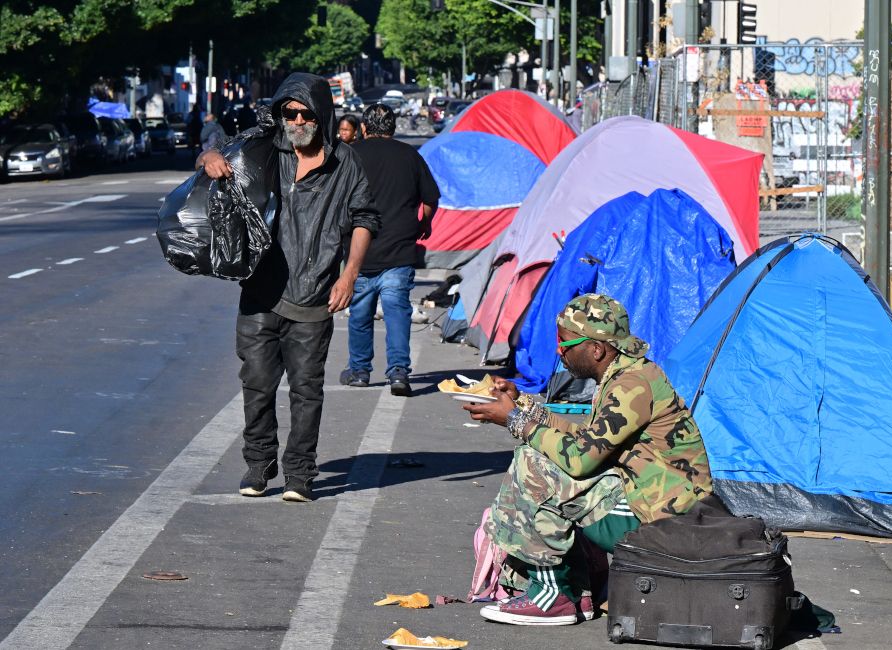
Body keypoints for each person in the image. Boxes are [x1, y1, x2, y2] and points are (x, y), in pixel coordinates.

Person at [464, 294, 713, 625]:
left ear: (596, 349)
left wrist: (517, 423)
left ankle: (552, 596)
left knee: (536, 465)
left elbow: (580, 459)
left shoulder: (633, 385)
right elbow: (588, 441)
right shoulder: (626, 375)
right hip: (652, 502)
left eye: (566, 343)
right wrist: (522, 404)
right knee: (544, 455)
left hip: (664, 519)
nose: (559, 351)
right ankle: (578, 595)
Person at [197, 72, 380, 503]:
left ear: (322, 115)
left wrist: (349, 274)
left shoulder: (345, 163)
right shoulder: (263, 149)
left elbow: (364, 219)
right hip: (261, 290)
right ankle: (259, 466)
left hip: (315, 293)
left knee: (306, 390)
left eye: (305, 113)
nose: (296, 121)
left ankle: (300, 474)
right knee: (257, 383)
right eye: (288, 113)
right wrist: (209, 157)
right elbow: (213, 154)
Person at [338, 104, 439, 396]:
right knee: (397, 314)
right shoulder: (410, 155)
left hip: (361, 253)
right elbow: (430, 197)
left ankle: (359, 371)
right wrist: (425, 224)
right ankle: (398, 372)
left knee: (360, 314)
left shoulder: (350, 155)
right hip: (400, 251)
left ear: (364, 129)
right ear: (393, 129)